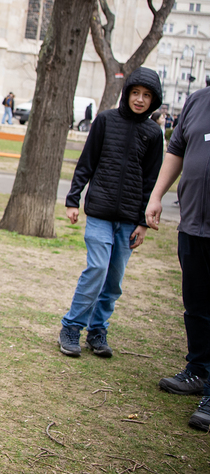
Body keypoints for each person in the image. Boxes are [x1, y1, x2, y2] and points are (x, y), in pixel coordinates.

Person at [60, 68, 163, 359]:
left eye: (146, 95)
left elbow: (151, 180)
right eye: (135, 93)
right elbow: (86, 162)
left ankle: (97, 331)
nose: (140, 99)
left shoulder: (154, 133)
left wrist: (143, 222)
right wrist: (73, 200)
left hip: (129, 220)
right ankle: (71, 327)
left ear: (153, 100)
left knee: (114, 280)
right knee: (97, 269)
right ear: (127, 93)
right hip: (100, 213)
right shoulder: (105, 120)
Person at [145, 82, 210, 431]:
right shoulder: (198, 100)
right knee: (196, 307)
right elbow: (177, 151)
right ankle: (198, 371)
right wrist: (157, 196)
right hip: (193, 225)